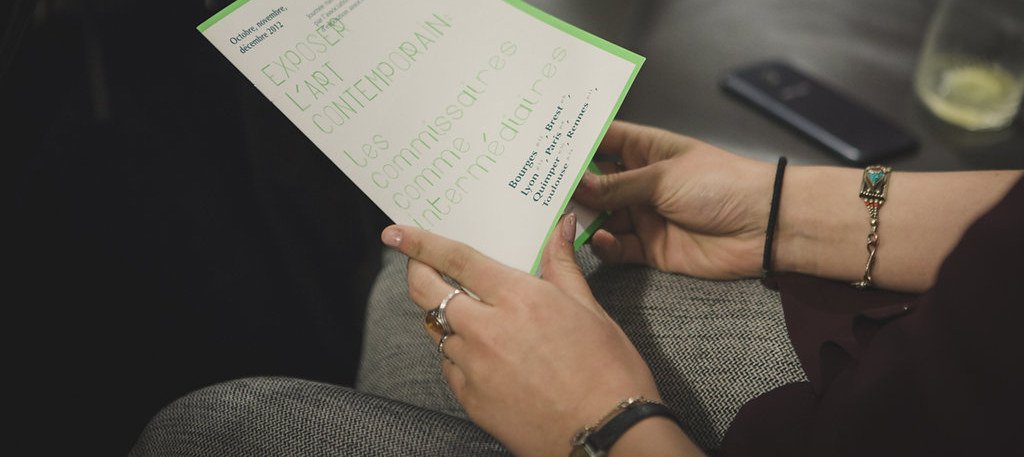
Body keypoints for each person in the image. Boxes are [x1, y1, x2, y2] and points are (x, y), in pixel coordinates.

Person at [131, 120, 1024, 456]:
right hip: (924, 351)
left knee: (218, 432)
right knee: (425, 298)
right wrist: (791, 211)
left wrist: (605, 422)